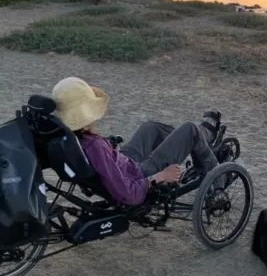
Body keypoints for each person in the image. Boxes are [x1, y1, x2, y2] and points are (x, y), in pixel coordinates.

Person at [51, 77, 222, 206]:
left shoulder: (70, 137)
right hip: (140, 174)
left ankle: (199, 140)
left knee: (150, 127)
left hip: (124, 162)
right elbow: (127, 193)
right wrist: (160, 176)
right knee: (190, 128)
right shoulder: (94, 146)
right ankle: (220, 178)